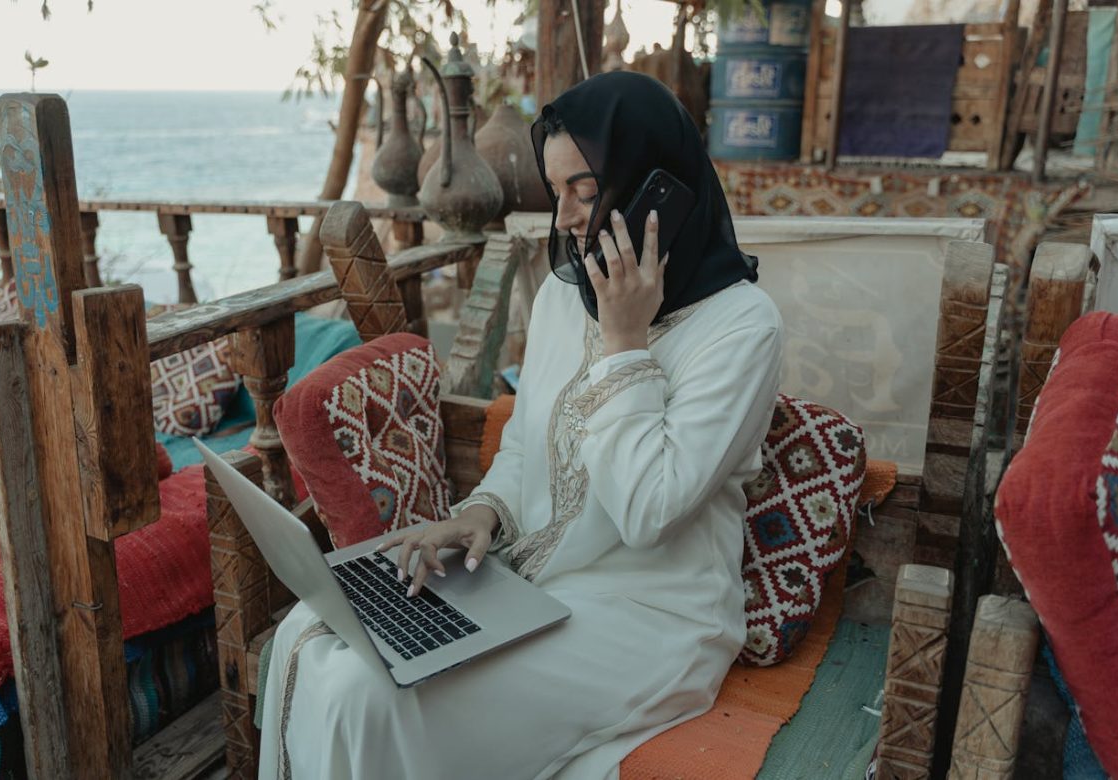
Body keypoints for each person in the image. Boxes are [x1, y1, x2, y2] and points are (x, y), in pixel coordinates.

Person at [258, 71, 784, 780]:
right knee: (309, 633)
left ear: (657, 189)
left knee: (370, 697)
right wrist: (479, 515)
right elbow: (525, 443)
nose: (563, 218)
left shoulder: (742, 326)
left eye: (585, 191)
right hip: (530, 581)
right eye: (555, 190)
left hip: (652, 617)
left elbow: (647, 512)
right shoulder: (568, 295)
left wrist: (626, 344)